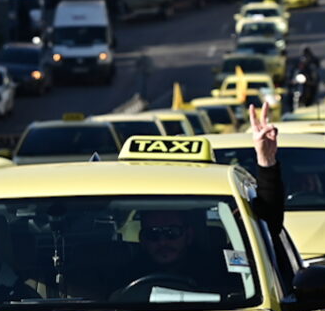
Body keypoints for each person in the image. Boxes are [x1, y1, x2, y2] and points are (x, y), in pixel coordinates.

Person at [120, 104, 285, 292]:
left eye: (171, 233)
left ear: (189, 235)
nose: (162, 242)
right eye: (153, 234)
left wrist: (266, 161)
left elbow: (268, 226)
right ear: (142, 239)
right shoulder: (123, 273)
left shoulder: (222, 267)